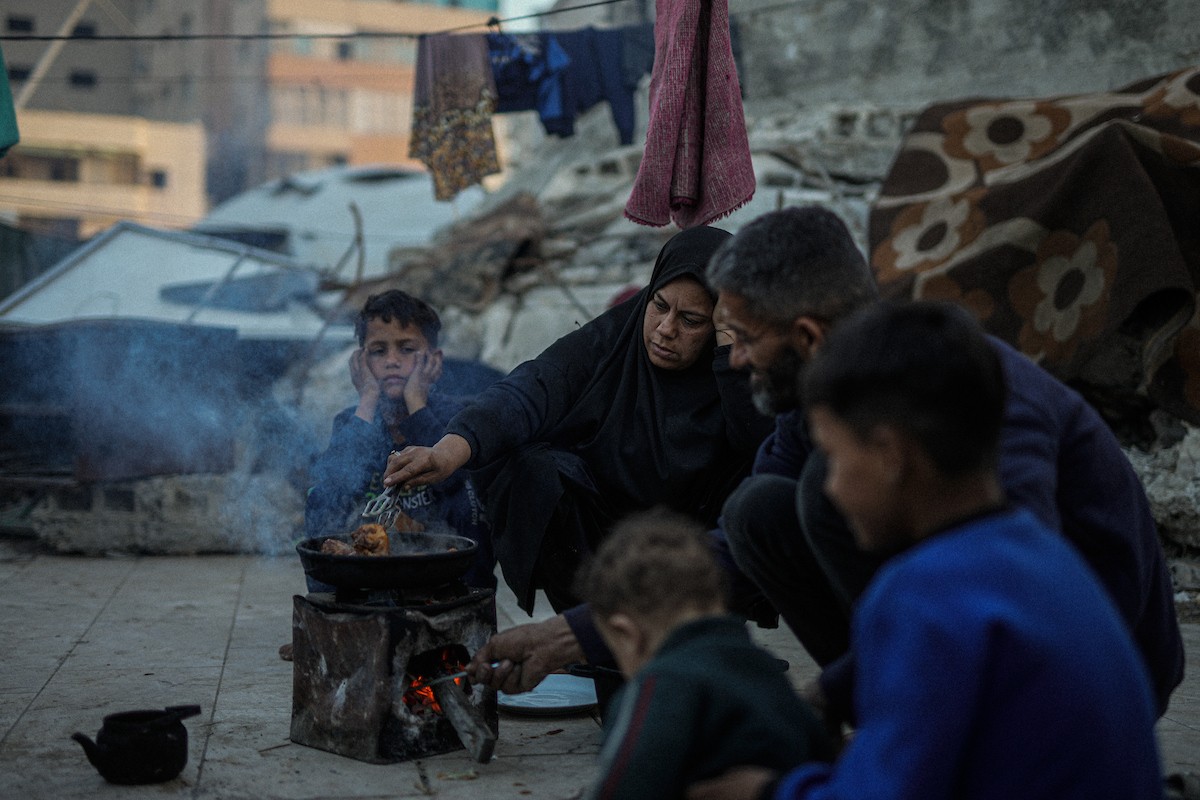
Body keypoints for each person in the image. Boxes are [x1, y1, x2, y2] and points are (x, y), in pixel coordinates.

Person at [704, 206, 1184, 723]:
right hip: (972, 619)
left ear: (809, 338)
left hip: (1091, 666)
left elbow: (1019, 583)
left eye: (746, 338)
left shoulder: (961, 386)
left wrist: (829, 693)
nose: (736, 359)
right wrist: (649, 604)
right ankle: (899, 704)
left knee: (822, 487)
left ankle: (925, 715)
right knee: (756, 510)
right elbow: (748, 523)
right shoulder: (824, 388)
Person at [689, 301, 1166, 800]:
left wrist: (766, 793)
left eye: (834, 458)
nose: (829, 487)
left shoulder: (927, 596)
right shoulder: (1037, 551)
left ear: (891, 455)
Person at [384, 225, 772, 693]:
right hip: (604, 543)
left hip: (700, 552)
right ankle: (597, 643)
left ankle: (685, 650)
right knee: (535, 470)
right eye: (659, 306)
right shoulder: (614, 338)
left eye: (692, 320)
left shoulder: (741, 367)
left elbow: (762, 447)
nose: (666, 329)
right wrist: (448, 451)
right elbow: (534, 387)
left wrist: (730, 359)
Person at [577, 507, 833, 800]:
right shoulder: (768, 673)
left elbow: (625, 784)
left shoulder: (659, 685)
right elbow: (822, 757)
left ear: (626, 634)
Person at [304, 289, 494, 589]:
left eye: (407, 349)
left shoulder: (455, 416)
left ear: (433, 360)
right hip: (369, 563)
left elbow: (453, 480)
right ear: (360, 362)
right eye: (378, 351)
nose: (392, 361)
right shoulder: (354, 419)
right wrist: (367, 398)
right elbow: (334, 487)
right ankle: (331, 597)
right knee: (319, 493)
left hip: (439, 565)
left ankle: (469, 593)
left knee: (468, 488)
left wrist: (416, 402)